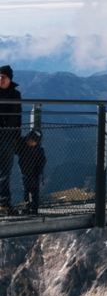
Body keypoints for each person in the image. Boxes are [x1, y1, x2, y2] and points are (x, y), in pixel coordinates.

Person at [0, 65, 22, 214]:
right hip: (6, 136)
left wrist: (16, 138)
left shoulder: (15, 95)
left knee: (4, 173)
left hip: (7, 138)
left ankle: (4, 205)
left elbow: (17, 118)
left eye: (4, 77)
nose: (1, 79)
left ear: (9, 79)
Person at [16, 129, 46, 215]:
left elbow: (42, 162)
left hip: (34, 174)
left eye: (35, 141)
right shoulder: (23, 147)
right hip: (25, 173)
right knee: (26, 191)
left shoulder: (39, 150)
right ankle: (27, 207)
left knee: (34, 191)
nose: (32, 142)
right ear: (28, 138)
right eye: (31, 139)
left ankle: (34, 208)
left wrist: (38, 171)